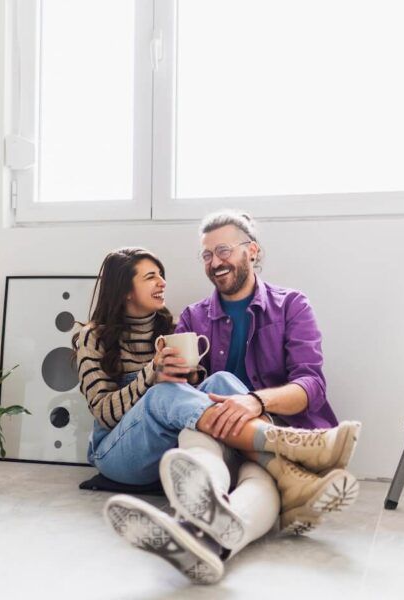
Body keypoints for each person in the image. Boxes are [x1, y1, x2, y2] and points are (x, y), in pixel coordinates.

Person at [73, 247, 359, 585]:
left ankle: (206, 528)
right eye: (151, 276)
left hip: (166, 446)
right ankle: (287, 450)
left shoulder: (168, 325)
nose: (162, 282)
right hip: (117, 451)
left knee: (221, 383)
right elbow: (105, 413)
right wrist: (153, 374)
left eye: (161, 274)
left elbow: (190, 394)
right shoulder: (92, 336)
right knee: (163, 393)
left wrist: (186, 375)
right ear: (124, 289)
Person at [175, 209, 360, 536]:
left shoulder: (292, 305)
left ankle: (201, 531)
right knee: (204, 429)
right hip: (222, 438)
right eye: (207, 254)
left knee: (256, 473)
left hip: (276, 428)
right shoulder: (192, 318)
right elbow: (180, 397)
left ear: (252, 250)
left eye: (224, 250)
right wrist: (175, 373)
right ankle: (284, 491)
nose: (215, 262)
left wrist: (254, 402)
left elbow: (311, 386)